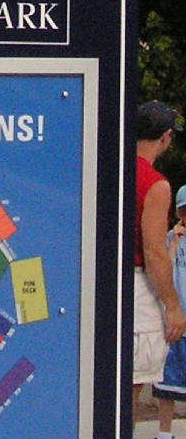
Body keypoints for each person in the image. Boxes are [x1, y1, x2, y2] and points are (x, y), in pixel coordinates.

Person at [133, 100, 186, 428]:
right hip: (137, 286)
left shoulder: (107, 167)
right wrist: (172, 305)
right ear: (165, 137)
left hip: (99, 279)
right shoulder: (155, 183)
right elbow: (154, 253)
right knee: (132, 383)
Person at [152, 184, 186, 439]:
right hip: (174, 322)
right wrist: (173, 241)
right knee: (167, 385)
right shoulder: (168, 239)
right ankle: (165, 433)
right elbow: (163, 267)